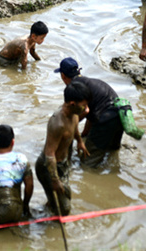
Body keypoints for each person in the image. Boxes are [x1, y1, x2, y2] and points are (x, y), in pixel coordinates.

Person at [55, 58, 122, 167]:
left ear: (63, 75)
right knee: (112, 152)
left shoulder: (73, 90)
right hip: (120, 114)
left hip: (105, 119)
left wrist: (72, 133)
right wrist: (84, 134)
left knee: (88, 164)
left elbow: (77, 116)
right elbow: (90, 113)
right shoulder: (88, 82)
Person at [36, 81, 89, 215]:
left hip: (63, 163)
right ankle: (50, 225)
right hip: (48, 167)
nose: (87, 109)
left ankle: (49, 208)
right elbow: (49, 153)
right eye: (84, 106)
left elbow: (75, 129)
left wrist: (80, 142)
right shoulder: (58, 124)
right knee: (63, 209)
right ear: (72, 104)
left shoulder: (75, 114)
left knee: (63, 197)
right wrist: (54, 180)